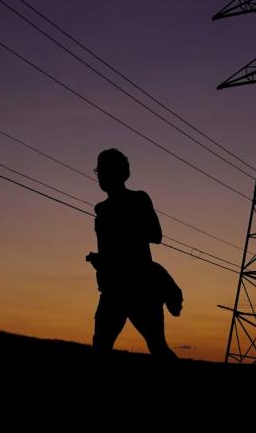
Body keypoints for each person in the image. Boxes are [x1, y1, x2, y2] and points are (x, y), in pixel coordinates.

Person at [87, 148, 176, 359]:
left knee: (157, 346)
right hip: (112, 289)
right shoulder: (101, 209)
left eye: (105, 170)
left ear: (121, 173)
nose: (100, 176)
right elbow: (109, 249)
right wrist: (100, 260)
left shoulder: (139, 200)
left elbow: (156, 235)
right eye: (99, 171)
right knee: (100, 345)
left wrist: (119, 240)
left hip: (141, 289)